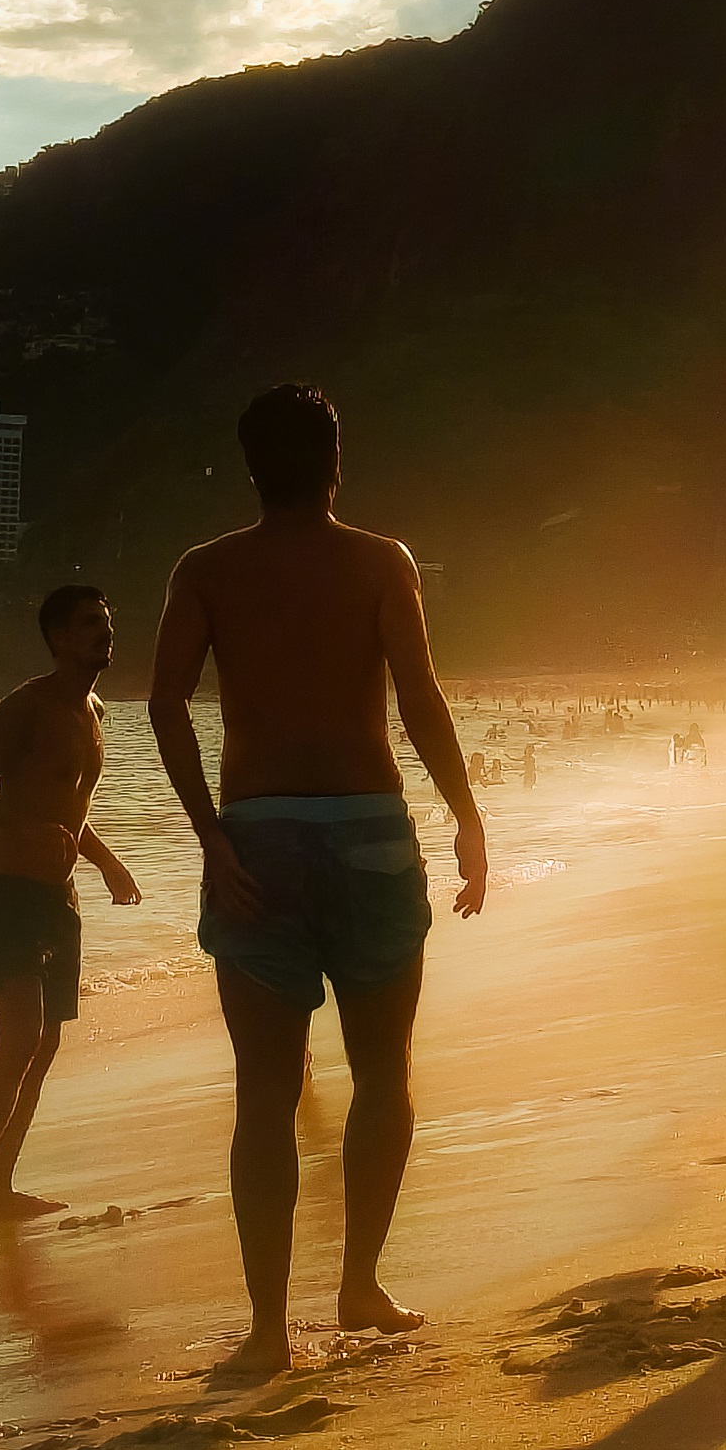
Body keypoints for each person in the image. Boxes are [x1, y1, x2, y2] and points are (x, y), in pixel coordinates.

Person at [149, 384, 488, 1377]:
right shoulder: (381, 561)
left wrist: (208, 835)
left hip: (257, 838)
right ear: (337, 462)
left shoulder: (205, 569)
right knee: (382, 1073)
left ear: (251, 468)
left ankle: (267, 1331)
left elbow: (165, 704)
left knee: (264, 1093)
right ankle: (360, 1286)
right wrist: (466, 815)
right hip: (371, 830)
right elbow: (418, 696)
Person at [0, 585, 142, 1253]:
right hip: (7, 891)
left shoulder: (95, 710)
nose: (104, 633)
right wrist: (24, 828)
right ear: (58, 637)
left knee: (46, 1042)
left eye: (107, 622)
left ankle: (0, 1186)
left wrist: (107, 863)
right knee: (19, 1039)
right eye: (90, 625)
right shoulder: (26, 706)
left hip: (60, 897)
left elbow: (68, 813)